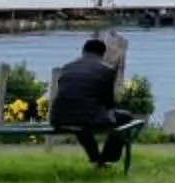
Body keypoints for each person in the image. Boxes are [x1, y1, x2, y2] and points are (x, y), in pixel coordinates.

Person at [51, 37, 137, 167]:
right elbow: (108, 102)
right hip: (86, 118)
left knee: (81, 119)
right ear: (103, 54)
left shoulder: (67, 68)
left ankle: (97, 159)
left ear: (83, 51)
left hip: (58, 118)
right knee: (125, 117)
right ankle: (109, 157)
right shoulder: (106, 71)